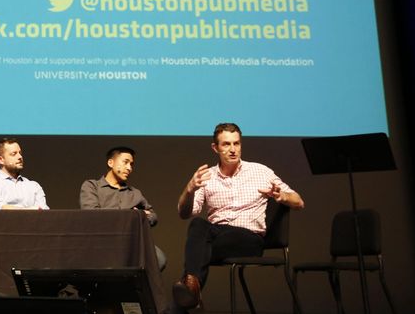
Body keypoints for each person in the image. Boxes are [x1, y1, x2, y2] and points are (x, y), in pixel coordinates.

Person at [172, 122, 305, 310]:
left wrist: (282, 196)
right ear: (215, 148)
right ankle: (191, 290)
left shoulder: (261, 172)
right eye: (226, 144)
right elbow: (184, 213)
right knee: (197, 225)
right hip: (218, 238)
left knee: (198, 251)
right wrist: (189, 189)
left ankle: (189, 291)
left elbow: (299, 202)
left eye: (237, 143)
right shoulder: (206, 177)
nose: (233, 149)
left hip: (249, 240)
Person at [80, 146, 167, 271]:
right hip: (101, 240)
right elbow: (92, 214)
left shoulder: (134, 193)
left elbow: (153, 216)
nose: (129, 168)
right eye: (125, 162)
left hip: (130, 241)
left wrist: (142, 216)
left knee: (159, 259)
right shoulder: (92, 186)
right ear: (111, 163)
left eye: (131, 164)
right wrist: (132, 215)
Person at [0, 138, 48, 209]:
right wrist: (30, 210)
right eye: (14, 154)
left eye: (20, 153)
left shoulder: (34, 186)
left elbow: (43, 210)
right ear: (1, 160)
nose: (20, 157)